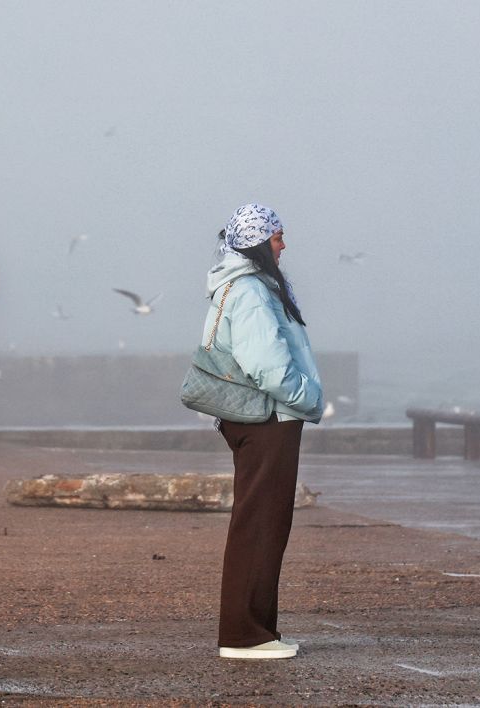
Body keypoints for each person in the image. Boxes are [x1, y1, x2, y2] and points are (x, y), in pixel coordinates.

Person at [202, 204, 323, 661]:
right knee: (261, 524)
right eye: (276, 237)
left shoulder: (237, 285)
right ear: (256, 242)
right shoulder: (252, 290)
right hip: (268, 418)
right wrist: (306, 397)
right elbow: (265, 363)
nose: (283, 245)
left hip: (256, 417)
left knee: (263, 523)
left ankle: (256, 631)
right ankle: (245, 636)